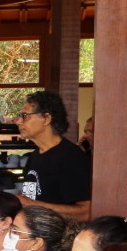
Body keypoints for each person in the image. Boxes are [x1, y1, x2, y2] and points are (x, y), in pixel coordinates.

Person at [15, 91, 92, 222]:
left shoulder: (71, 157)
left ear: (46, 119)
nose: (18, 121)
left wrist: (33, 205)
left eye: (25, 116)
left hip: (59, 240)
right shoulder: (34, 156)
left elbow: (86, 213)